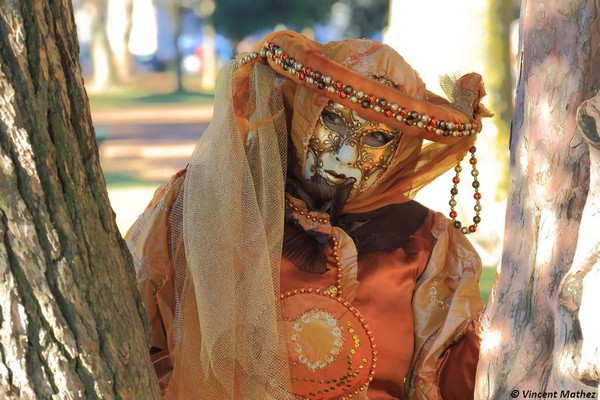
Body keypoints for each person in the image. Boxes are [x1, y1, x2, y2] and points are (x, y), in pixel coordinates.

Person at [125, 30, 492, 400]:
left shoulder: (427, 245)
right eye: (333, 121)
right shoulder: (208, 202)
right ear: (304, 110)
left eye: (376, 138)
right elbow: (132, 332)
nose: (347, 156)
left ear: (402, 151)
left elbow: (450, 379)